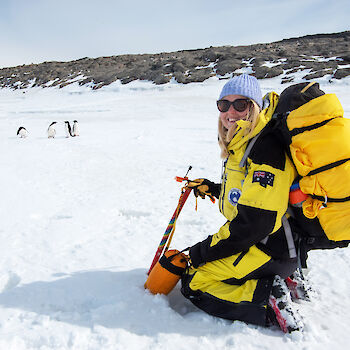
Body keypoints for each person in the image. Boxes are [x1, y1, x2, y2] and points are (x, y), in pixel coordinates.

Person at [181, 74, 300, 330]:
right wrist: (213, 188)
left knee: (195, 280)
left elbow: (255, 223)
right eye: (224, 104)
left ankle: (266, 298)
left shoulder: (265, 149)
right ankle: (283, 279)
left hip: (271, 247)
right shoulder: (244, 143)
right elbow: (251, 195)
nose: (230, 112)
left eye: (240, 104)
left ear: (254, 106)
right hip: (271, 243)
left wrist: (203, 251)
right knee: (206, 262)